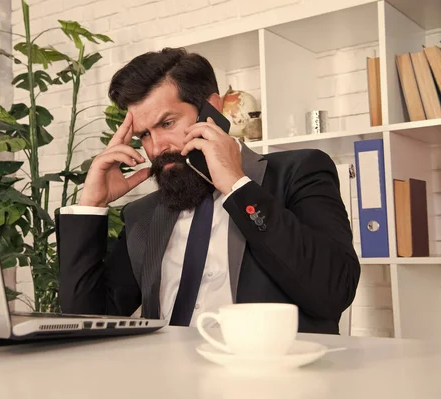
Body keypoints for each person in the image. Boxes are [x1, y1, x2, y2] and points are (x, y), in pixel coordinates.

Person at [56, 47, 360, 334]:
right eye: (144, 135)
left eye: (168, 123)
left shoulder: (298, 171)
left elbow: (333, 292)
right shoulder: (143, 215)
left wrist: (236, 186)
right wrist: (91, 205)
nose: (157, 147)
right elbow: (87, 320)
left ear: (211, 110)